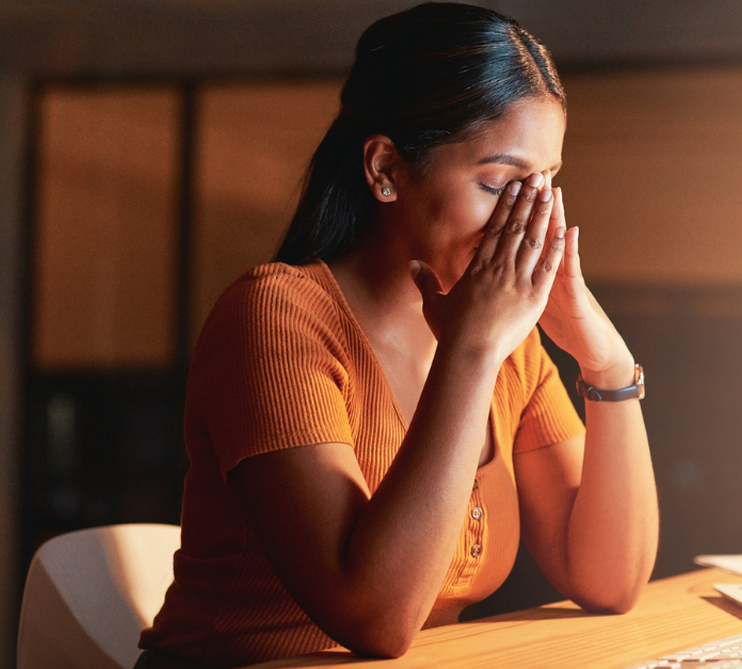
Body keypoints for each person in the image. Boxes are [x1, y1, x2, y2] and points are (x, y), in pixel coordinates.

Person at [138, 4, 658, 667]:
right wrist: (470, 350)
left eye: (546, 184)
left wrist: (606, 360)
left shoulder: (511, 348)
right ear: (385, 168)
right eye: (500, 183)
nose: (530, 219)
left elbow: (609, 580)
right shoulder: (274, 317)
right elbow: (375, 619)